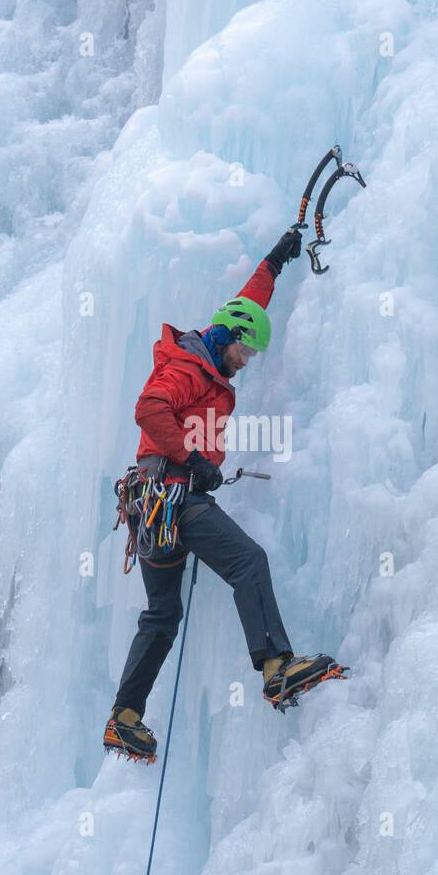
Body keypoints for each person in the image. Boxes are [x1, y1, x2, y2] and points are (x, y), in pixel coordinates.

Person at [105, 228, 344, 763]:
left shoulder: (211, 352)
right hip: (174, 497)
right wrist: (192, 460)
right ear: (228, 338)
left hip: (153, 510)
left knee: (163, 617)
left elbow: (245, 305)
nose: (248, 360)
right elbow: (148, 410)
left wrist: (275, 263)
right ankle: (276, 668)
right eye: (246, 350)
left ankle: (124, 717)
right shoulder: (189, 366)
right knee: (248, 562)